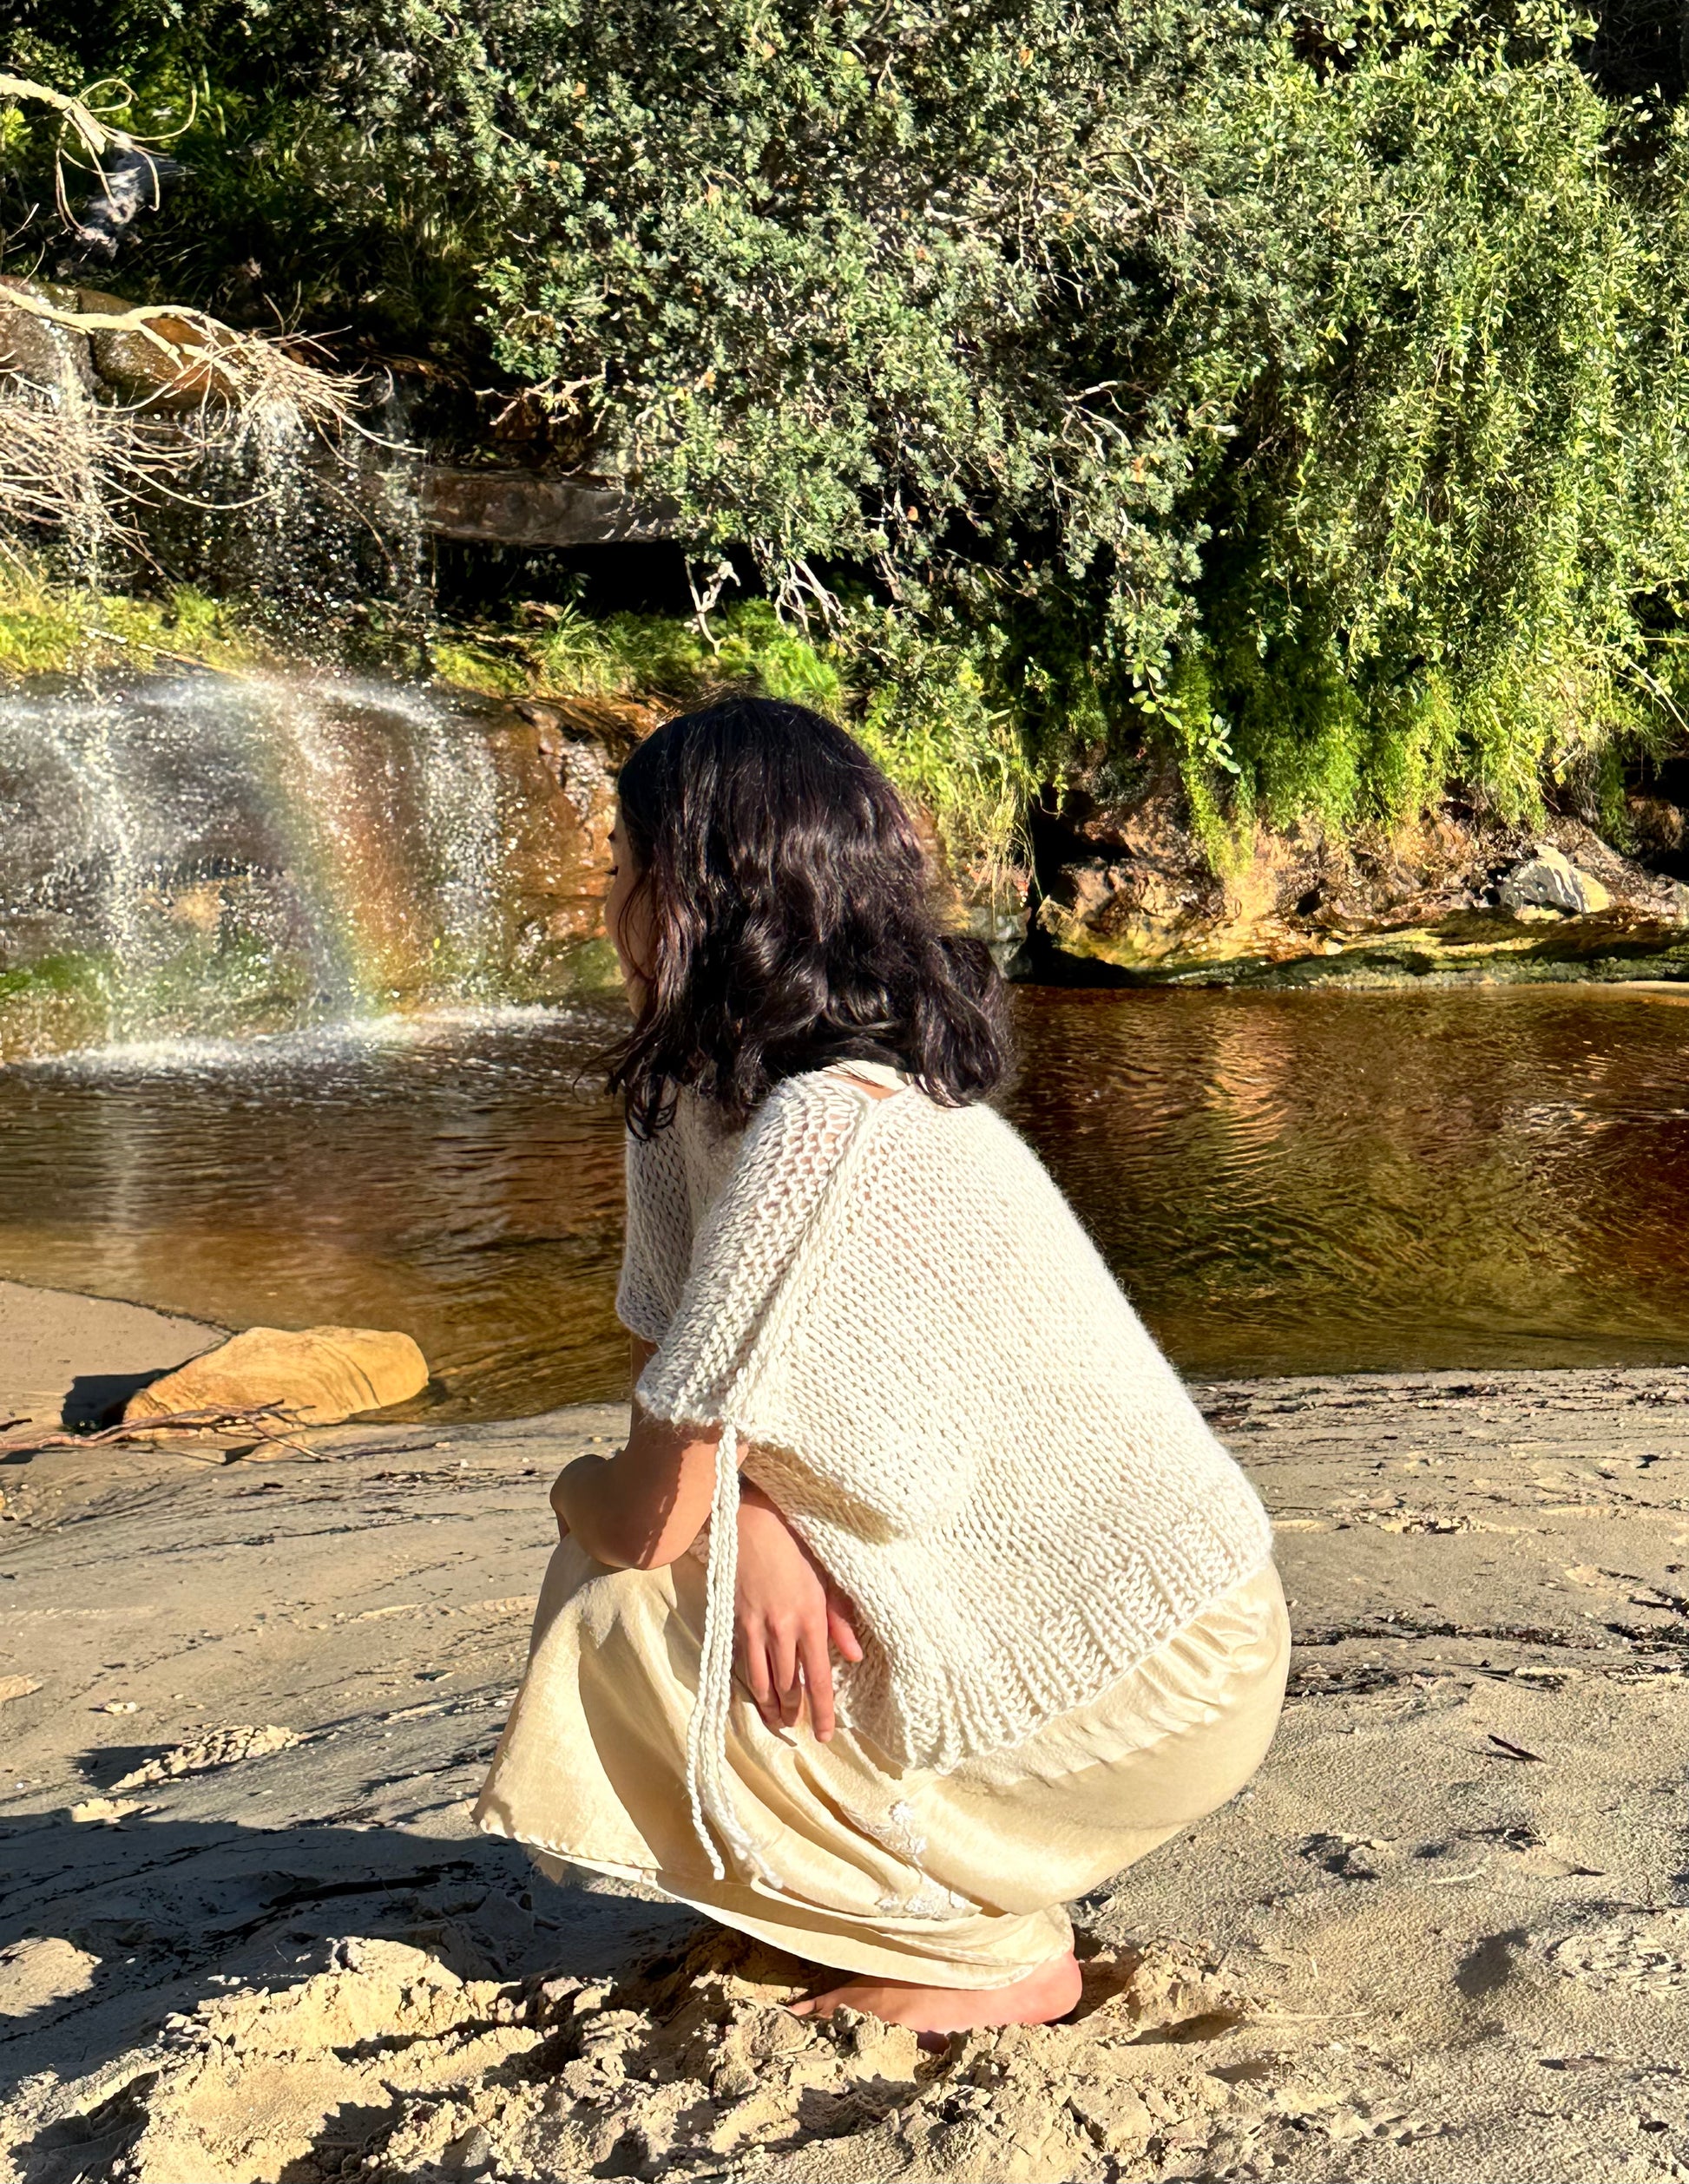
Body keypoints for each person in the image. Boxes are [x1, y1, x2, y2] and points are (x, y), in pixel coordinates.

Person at [475, 694, 1288, 2038]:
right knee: (697, 1575)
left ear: (692, 895)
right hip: (1014, 1588)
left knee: (613, 1584)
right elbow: (680, 1369)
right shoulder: (689, 1098)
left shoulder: (826, 1129)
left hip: (1161, 1654)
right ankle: (884, 1892)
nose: (600, 901)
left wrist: (577, 1488)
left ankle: (980, 1947)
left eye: (621, 866)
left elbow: (641, 1510)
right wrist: (750, 1515)